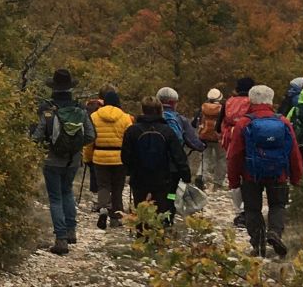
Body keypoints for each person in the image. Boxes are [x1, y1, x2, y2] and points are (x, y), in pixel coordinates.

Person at [225, 85, 303, 259]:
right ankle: (275, 232)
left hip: (250, 175)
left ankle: (258, 243)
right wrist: (297, 177)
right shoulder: (283, 122)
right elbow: (294, 152)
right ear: (271, 100)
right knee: (278, 205)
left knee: (252, 209)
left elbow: (234, 154)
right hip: (279, 174)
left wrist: (233, 180)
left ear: (251, 100)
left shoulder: (244, 123)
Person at [31, 69, 95, 255]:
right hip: (73, 160)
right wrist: (74, 147)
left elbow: (37, 135)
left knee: (55, 197)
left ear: (54, 87)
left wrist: (45, 146)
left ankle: (61, 239)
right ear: (70, 87)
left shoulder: (47, 108)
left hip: (52, 160)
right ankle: (71, 231)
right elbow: (90, 134)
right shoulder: (80, 109)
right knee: (67, 192)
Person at [123, 97, 190, 228]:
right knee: (163, 206)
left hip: (139, 177)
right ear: (160, 110)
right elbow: (178, 155)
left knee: (140, 207)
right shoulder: (167, 131)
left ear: (142, 110)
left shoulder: (132, 130)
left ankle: (141, 233)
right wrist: (185, 174)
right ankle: (160, 233)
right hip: (163, 177)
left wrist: (129, 170)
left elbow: (125, 155)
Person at [86, 87, 134, 229]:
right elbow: (130, 140)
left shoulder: (94, 117)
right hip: (119, 158)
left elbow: (89, 140)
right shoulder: (126, 118)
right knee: (117, 188)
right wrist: (131, 160)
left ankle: (102, 209)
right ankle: (115, 217)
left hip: (100, 157)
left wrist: (87, 157)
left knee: (103, 186)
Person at [220, 78, 256, 227]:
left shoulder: (228, 102)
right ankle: (248, 210)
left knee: (234, 176)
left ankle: (238, 210)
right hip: (249, 142)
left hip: (230, 141)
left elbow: (218, 126)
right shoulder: (253, 102)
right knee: (248, 176)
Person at [194, 89, 225, 188]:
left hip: (204, 136)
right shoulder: (223, 108)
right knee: (221, 159)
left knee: (205, 158)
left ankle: (201, 176)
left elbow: (194, 123)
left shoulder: (203, 107)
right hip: (219, 137)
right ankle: (218, 183)